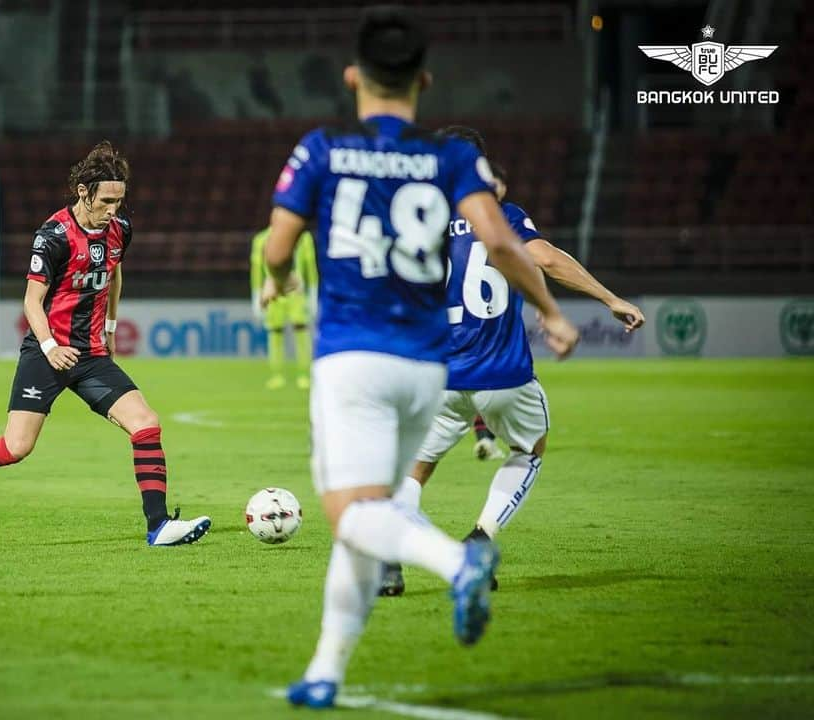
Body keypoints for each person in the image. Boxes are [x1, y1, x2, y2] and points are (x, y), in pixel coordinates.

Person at [262, 7, 579, 709]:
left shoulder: (322, 149)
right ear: (424, 81)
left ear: (352, 77)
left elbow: (280, 247)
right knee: (376, 506)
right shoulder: (452, 159)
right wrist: (552, 313)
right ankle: (326, 671)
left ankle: (456, 560)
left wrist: (278, 282)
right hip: (425, 366)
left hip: (353, 355)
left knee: (352, 513)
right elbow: (502, 244)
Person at [378, 128, 643, 597]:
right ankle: (479, 539)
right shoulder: (503, 218)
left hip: (436, 374)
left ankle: (392, 563)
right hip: (502, 373)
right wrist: (608, 298)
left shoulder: (416, 224)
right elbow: (548, 259)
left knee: (411, 470)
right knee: (529, 448)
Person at [0, 141, 211, 547]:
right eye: (106, 201)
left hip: (89, 355)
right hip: (45, 352)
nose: (114, 210)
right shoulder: (53, 236)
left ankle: (158, 527)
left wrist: (109, 325)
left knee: (146, 423)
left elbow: (114, 272)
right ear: (83, 192)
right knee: (16, 446)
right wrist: (51, 346)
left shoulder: (119, 229)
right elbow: (31, 302)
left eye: (119, 202)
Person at [250, 226, 317, 389]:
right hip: (273, 293)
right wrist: (256, 296)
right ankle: (277, 375)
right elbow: (257, 270)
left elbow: (311, 266)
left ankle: (304, 374)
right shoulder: (261, 239)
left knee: (302, 334)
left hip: (297, 292)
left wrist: (313, 293)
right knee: (275, 335)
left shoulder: (304, 239)